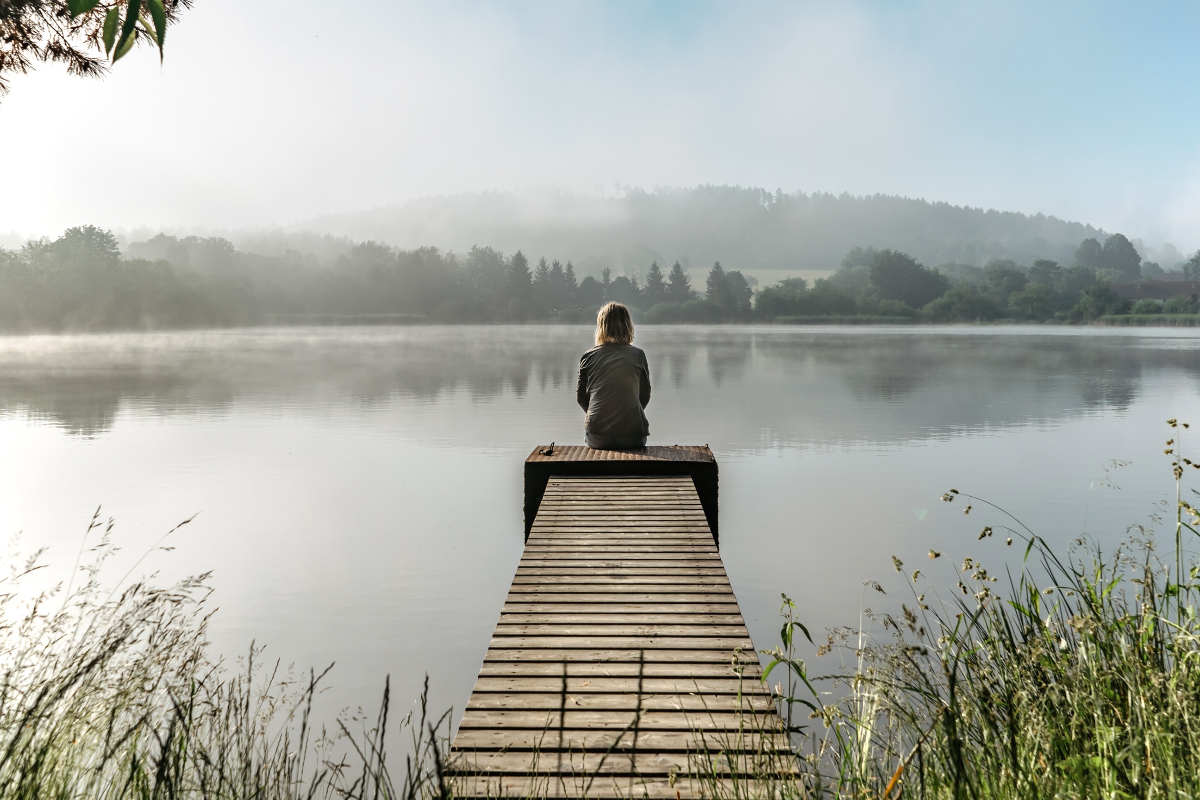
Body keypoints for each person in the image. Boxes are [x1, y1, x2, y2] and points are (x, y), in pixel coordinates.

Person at [577, 302, 651, 450]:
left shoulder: (588, 356)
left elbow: (581, 399)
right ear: (627, 325)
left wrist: (600, 418)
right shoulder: (638, 355)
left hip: (598, 437)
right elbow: (645, 395)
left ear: (601, 326)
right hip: (633, 437)